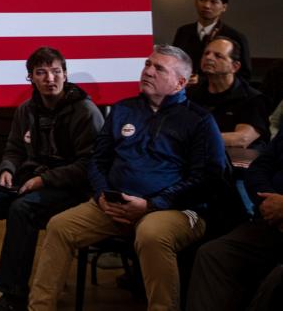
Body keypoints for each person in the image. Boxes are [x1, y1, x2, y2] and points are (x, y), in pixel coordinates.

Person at [28, 45, 227, 311]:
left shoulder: (199, 120)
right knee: (60, 226)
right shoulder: (123, 110)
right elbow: (97, 160)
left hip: (178, 209)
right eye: (147, 64)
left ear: (180, 82)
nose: (148, 71)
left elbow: (207, 178)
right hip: (113, 204)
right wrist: (101, 196)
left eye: (158, 68)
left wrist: (153, 204)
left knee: (151, 233)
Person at [0, 47, 104, 311]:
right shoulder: (26, 110)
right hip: (29, 181)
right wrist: (7, 169)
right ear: (30, 78)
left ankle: (13, 297)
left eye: (55, 72)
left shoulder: (85, 111)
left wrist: (45, 180)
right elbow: (14, 149)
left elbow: (90, 164)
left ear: (65, 74)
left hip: (70, 188)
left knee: (22, 209)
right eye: (41, 73)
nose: (49, 79)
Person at [187, 129, 283, 310]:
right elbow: (258, 169)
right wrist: (268, 203)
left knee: (276, 280)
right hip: (272, 221)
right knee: (214, 253)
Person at [188, 36, 269, 150]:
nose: (209, 58)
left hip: (238, 160)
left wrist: (194, 138)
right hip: (197, 155)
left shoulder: (252, 98)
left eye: (218, 56)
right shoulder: (192, 93)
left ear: (235, 67)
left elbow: (242, 139)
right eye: (206, 53)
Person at [173, 0, 251, 83]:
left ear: (224, 7)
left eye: (214, 1)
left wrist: (202, 81)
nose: (206, 5)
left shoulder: (235, 37)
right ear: (195, 2)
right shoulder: (183, 31)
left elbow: (244, 75)